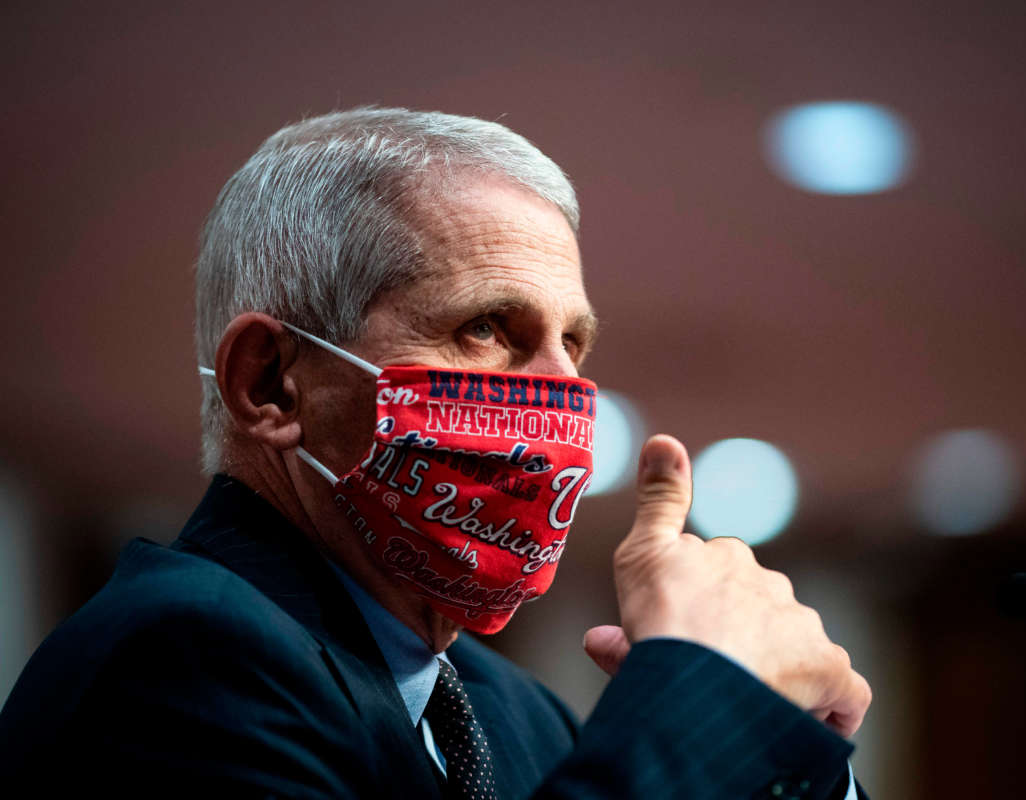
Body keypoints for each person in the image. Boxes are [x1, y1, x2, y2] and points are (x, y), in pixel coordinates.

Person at [0, 108, 871, 798]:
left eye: (576, 343)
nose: (564, 395)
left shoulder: (516, 714)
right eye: (488, 327)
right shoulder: (179, 661)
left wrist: (782, 744)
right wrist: (700, 697)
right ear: (269, 385)